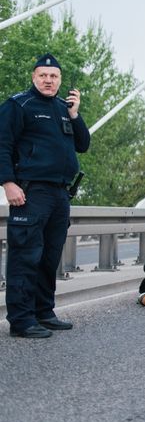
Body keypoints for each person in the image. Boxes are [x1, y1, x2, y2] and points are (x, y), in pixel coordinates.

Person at [1, 54, 89, 338]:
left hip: (60, 194)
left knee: (49, 258)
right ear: (34, 77)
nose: (49, 81)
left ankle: (43, 312)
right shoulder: (19, 105)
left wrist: (75, 115)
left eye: (54, 77)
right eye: (43, 76)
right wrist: (7, 183)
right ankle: (22, 320)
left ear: (59, 80)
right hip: (31, 192)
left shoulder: (64, 109)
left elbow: (83, 145)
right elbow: (2, 145)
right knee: (26, 257)